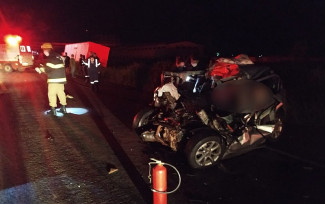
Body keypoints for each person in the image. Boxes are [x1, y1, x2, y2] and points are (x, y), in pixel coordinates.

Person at [35, 42, 68, 116]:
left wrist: (40, 70)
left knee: (52, 94)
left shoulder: (50, 58)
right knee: (61, 93)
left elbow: (48, 69)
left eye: (43, 51)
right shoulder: (58, 56)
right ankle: (63, 108)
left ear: (46, 50)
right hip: (61, 78)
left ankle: (53, 110)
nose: (43, 52)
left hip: (54, 79)